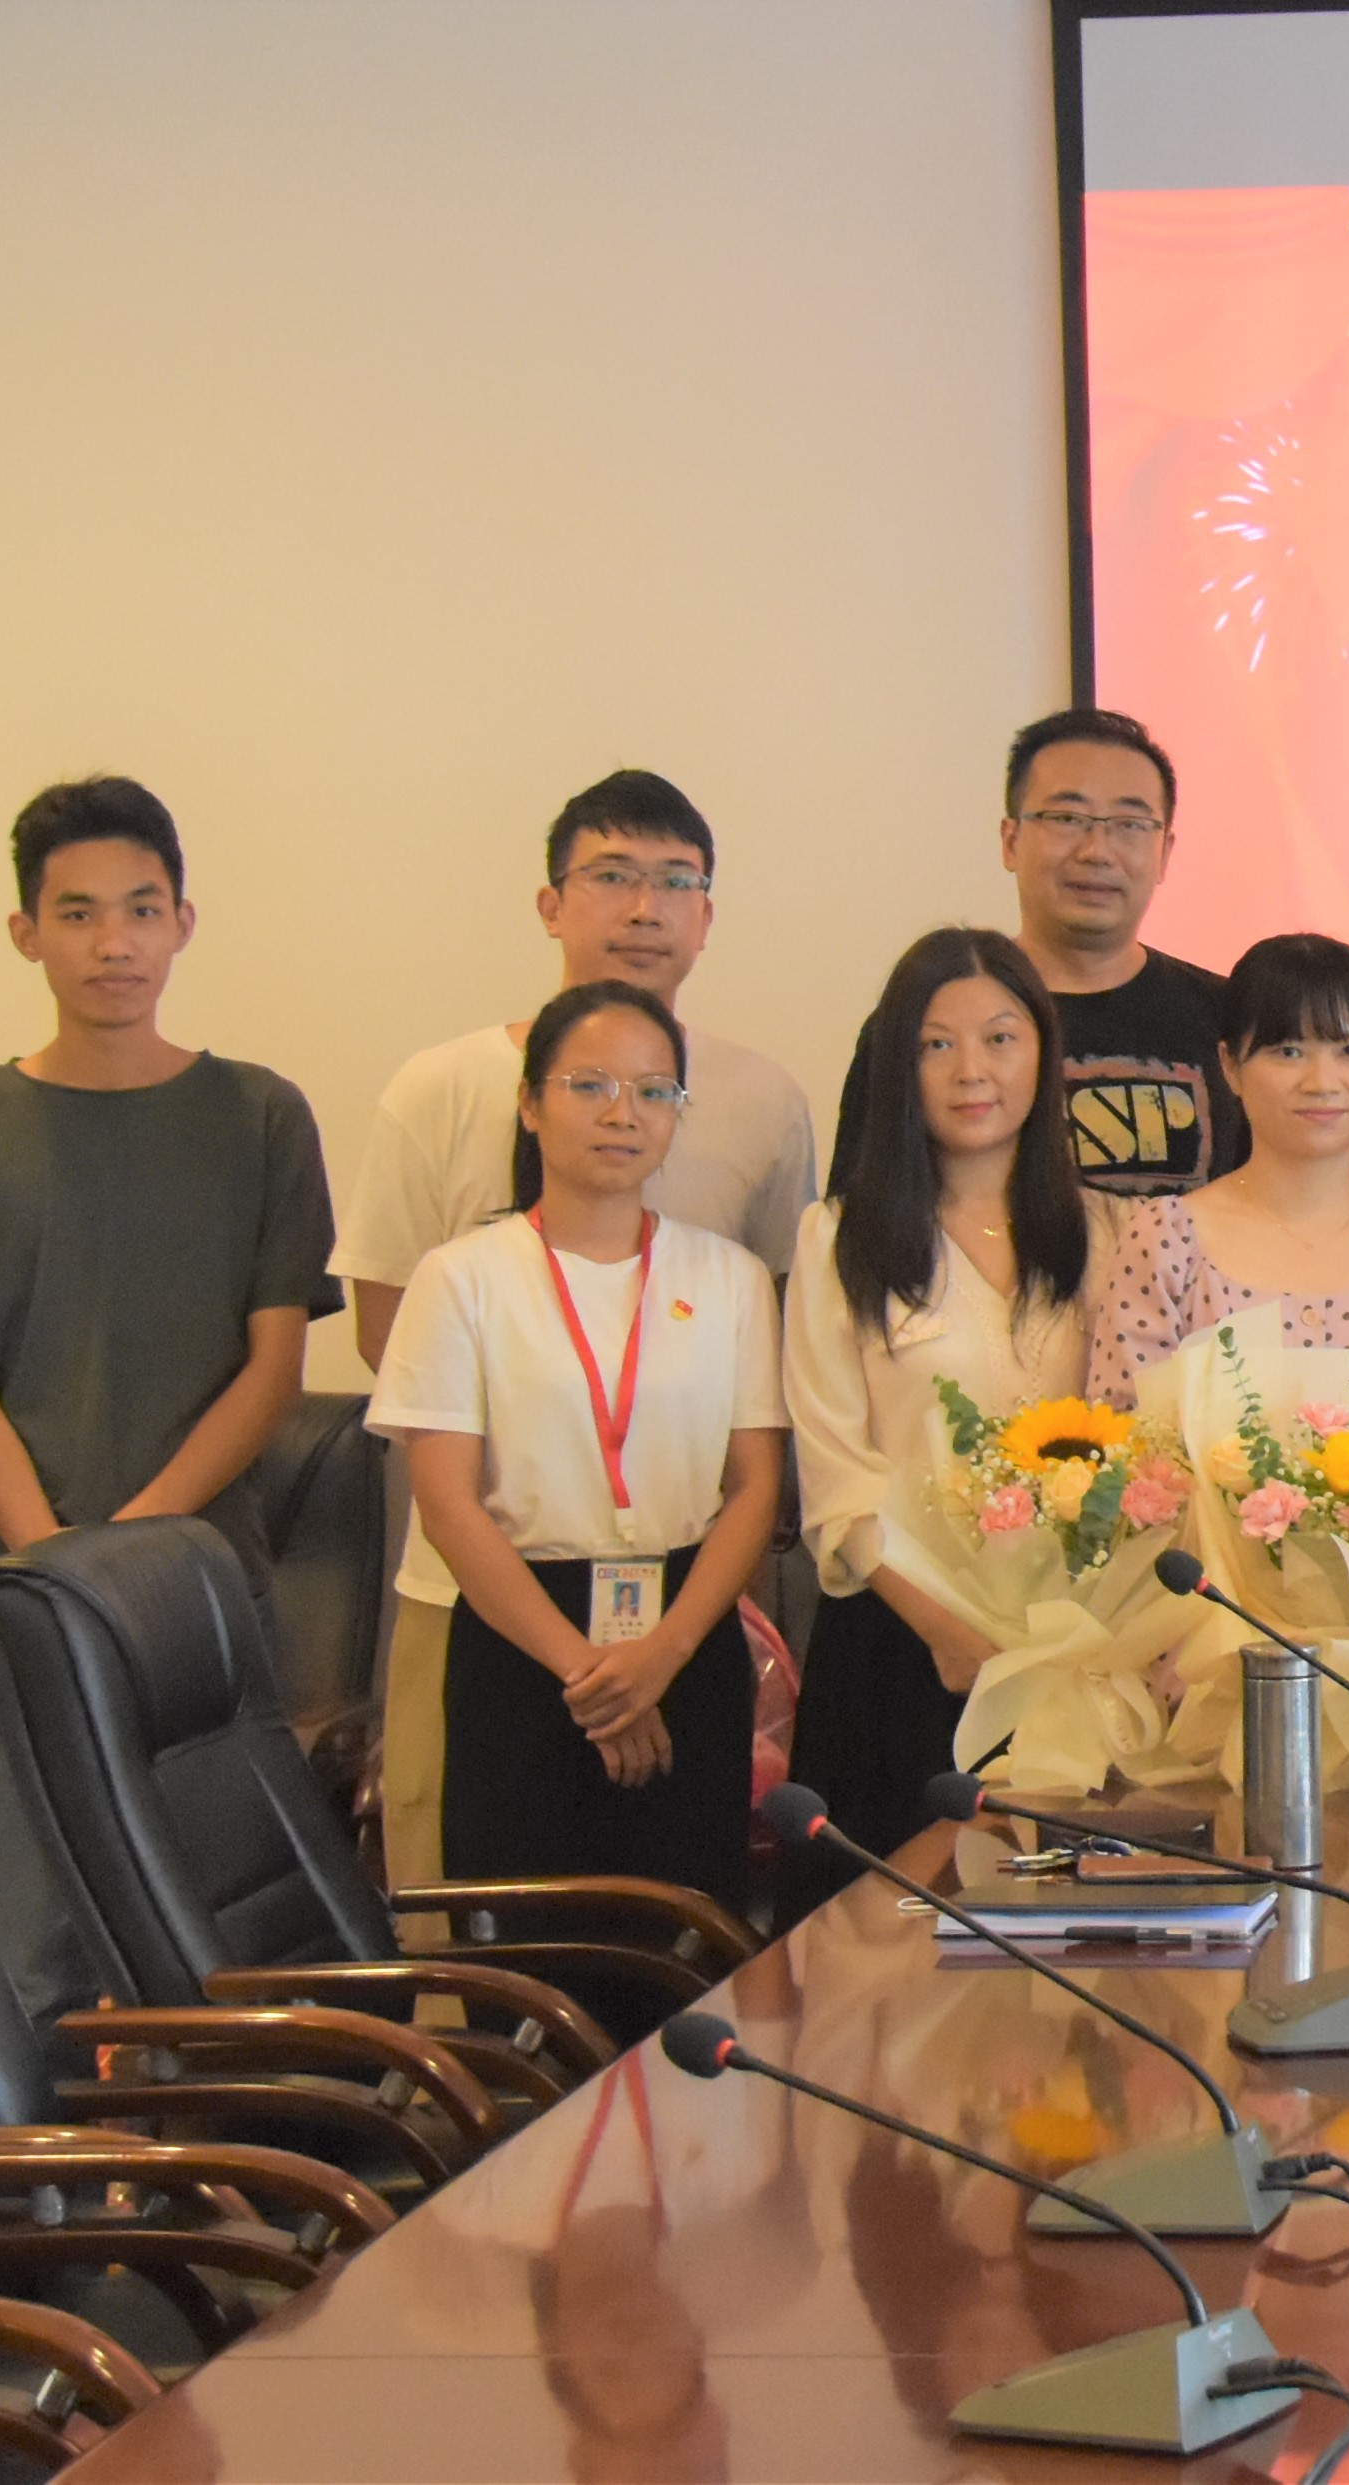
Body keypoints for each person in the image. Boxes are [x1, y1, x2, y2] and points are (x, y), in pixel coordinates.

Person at [336, 767, 815, 1883]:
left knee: (685, 1909)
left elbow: (756, 1461)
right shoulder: (443, 1116)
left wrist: (659, 1653)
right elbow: (395, 1358)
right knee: (481, 1897)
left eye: (673, 881)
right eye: (612, 876)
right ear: (551, 902)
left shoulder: (756, 1126)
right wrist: (584, 1667)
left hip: (684, 1610)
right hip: (493, 1599)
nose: (644, 908)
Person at [367, 980, 787, 1910]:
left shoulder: (731, 1278)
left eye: (652, 1091)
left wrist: (662, 1657)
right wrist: (586, 1674)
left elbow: (755, 1487)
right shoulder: (460, 1278)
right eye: (588, 1085)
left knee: (689, 1930)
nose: (621, 1113)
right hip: (522, 1640)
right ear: (529, 1103)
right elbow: (446, 1501)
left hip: (687, 1635)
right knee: (527, 1933)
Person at [0, 778, 339, 1591]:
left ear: (182, 923)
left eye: (142, 910)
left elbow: (274, 1371)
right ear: (26, 933)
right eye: (78, 914)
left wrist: (128, 1548)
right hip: (16, 1578)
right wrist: (54, 1563)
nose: (114, 943)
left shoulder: (262, 1115)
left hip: (204, 1576)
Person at [782, 928, 1103, 1914]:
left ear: (1041, 1054)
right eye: (936, 1044)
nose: (972, 1070)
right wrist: (948, 1632)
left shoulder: (1109, 1230)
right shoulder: (838, 1238)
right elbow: (835, 1470)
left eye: (1000, 1038)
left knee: (1062, 1945)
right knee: (879, 1952)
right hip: (903, 1649)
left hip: (1068, 1648)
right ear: (898, 1065)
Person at [1091, 935, 1349, 1404]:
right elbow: (1120, 1430)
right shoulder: (1170, 1242)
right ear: (1229, 1066)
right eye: (1288, 1051)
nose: (1321, 1082)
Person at [998, 707, 1244, 1198]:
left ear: (1164, 853)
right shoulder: (940, 1022)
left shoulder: (1233, 1019)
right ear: (1011, 841)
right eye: (1067, 818)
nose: (1097, 851)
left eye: (1130, 824)